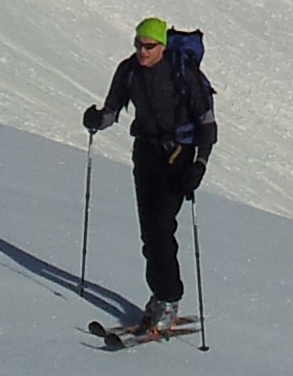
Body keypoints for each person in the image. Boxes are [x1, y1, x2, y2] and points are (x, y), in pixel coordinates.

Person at [84, 17, 216, 330]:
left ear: (162, 46)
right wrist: (95, 119)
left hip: (178, 157)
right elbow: (112, 111)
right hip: (145, 155)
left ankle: (169, 298)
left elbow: (207, 124)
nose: (142, 51)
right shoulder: (128, 71)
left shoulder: (183, 73)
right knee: (149, 233)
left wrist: (200, 164)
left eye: (149, 46)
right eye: (138, 45)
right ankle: (160, 295)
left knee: (160, 228)